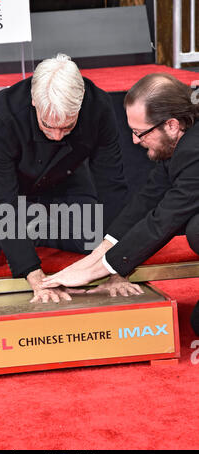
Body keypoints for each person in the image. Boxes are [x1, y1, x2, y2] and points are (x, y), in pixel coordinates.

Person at [0, 53, 128, 303]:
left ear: (80, 106)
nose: (57, 136)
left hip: (61, 176)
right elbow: (3, 197)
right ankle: (9, 233)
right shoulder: (2, 114)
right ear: (34, 101)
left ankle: (30, 229)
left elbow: (112, 183)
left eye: (67, 127)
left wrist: (117, 264)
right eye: (48, 126)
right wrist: (34, 275)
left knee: (97, 240)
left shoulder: (98, 106)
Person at [42, 73, 199, 299]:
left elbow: (164, 220)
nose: (135, 141)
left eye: (139, 133)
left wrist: (95, 271)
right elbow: (148, 200)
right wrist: (93, 258)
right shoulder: (182, 140)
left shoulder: (194, 152)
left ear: (172, 125)